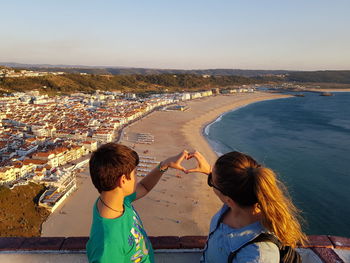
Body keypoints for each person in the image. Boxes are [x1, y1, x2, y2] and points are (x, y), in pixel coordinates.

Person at [186, 151, 307, 263]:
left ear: (229, 200)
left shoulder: (258, 255)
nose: (210, 181)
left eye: (211, 182)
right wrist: (210, 172)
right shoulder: (238, 201)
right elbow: (236, 183)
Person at [86, 142, 188, 263]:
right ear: (123, 180)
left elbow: (144, 187)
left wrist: (164, 165)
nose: (137, 178)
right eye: (135, 173)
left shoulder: (116, 200)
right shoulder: (108, 243)